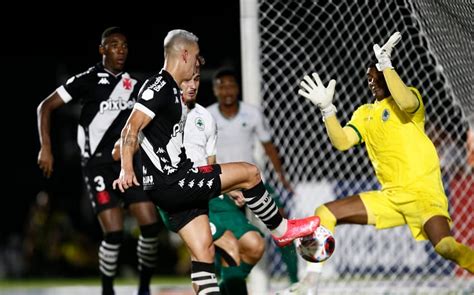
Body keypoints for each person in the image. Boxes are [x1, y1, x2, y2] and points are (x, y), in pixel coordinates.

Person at [112, 29, 320, 295]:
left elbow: (157, 139)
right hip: (175, 181)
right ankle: (282, 230)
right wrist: (126, 168)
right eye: (196, 57)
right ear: (184, 54)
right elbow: (130, 128)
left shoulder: (174, 93)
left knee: (204, 252)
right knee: (250, 173)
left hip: (171, 186)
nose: (198, 64)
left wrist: (224, 186)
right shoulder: (160, 86)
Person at [288, 31, 474, 293]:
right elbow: (342, 142)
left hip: (424, 196)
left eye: (376, 77)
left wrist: (386, 66)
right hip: (390, 198)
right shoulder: (364, 114)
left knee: (445, 247)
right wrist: (327, 111)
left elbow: (407, 102)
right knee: (324, 213)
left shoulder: (409, 100)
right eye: (369, 77)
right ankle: (310, 282)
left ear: (388, 76)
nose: (371, 82)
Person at [37, 27, 159, 295]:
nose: (121, 50)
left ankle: (144, 288)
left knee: (150, 226)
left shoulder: (133, 84)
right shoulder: (88, 80)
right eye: (114, 45)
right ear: (102, 50)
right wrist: (46, 148)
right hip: (98, 165)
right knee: (113, 234)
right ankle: (107, 290)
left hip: (127, 163)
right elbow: (45, 106)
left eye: (124, 45)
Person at [207, 68, 300, 286]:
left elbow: (268, 146)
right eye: (221, 85)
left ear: (237, 88)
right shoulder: (207, 115)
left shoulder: (252, 113)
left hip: (252, 182)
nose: (227, 89)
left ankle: (295, 282)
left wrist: (281, 177)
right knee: (225, 236)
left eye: (230, 85)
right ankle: (228, 278)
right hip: (224, 184)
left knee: (281, 222)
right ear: (215, 90)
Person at [182, 68, 265, 294]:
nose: (192, 85)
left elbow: (210, 164)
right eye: (187, 80)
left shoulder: (204, 117)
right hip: (184, 200)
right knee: (226, 249)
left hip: (215, 196)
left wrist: (228, 188)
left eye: (197, 79)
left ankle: (225, 287)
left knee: (255, 245)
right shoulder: (162, 113)